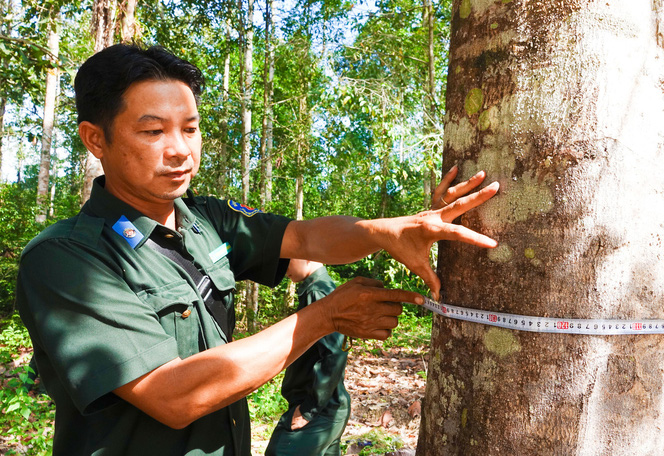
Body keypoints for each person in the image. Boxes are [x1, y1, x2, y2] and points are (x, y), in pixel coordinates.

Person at [15, 43, 500, 456]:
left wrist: (390, 230)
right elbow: (172, 394)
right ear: (95, 138)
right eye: (152, 131)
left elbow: (307, 238)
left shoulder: (205, 220)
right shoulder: (65, 259)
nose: (181, 149)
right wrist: (325, 317)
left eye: (190, 127)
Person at [265, 260, 349, 456]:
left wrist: (309, 410)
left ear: (306, 255)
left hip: (319, 410)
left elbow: (335, 352)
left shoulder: (317, 292)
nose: (283, 267)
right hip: (330, 407)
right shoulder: (319, 288)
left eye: (287, 258)